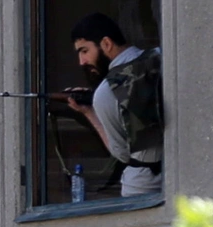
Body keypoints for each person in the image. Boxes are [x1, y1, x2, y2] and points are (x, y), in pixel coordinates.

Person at [66, 13, 164, 198]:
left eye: (84, 51)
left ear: (106, 44)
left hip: (144, 187)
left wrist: (90, 113)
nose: (81, 62)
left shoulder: (106, 93)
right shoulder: (163, 56)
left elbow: (121, 153)